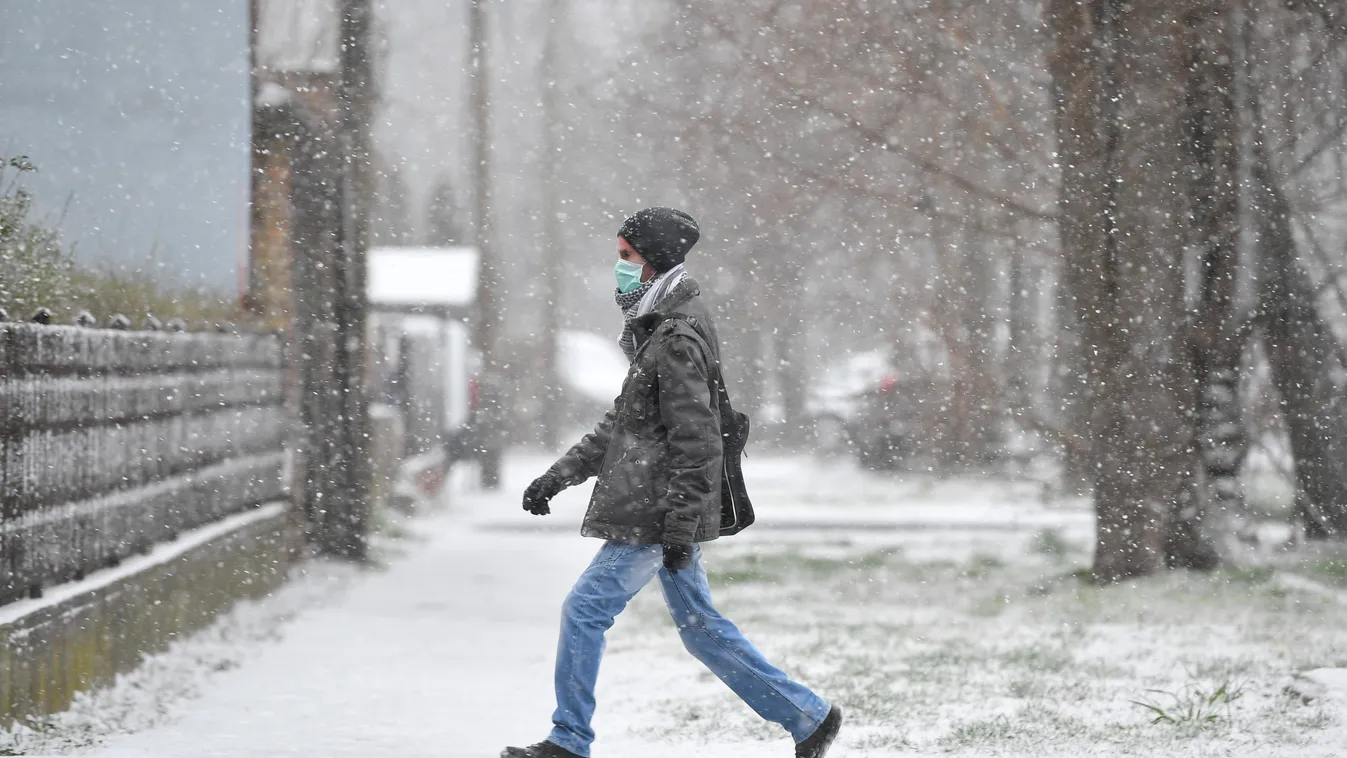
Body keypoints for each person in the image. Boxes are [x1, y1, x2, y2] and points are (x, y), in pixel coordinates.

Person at [502, 208, 843, 758]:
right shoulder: (657, 330)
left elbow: (698, 440)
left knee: (584, 610)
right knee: (699, 627)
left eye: (626, 257)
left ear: (654, 261)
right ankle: (808, 717)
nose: (619, 269)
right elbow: (624, 423)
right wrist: (556, 476)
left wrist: (680, 526)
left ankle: (568, 741)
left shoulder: (676, 337)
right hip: (661, 505)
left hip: (657, 510)